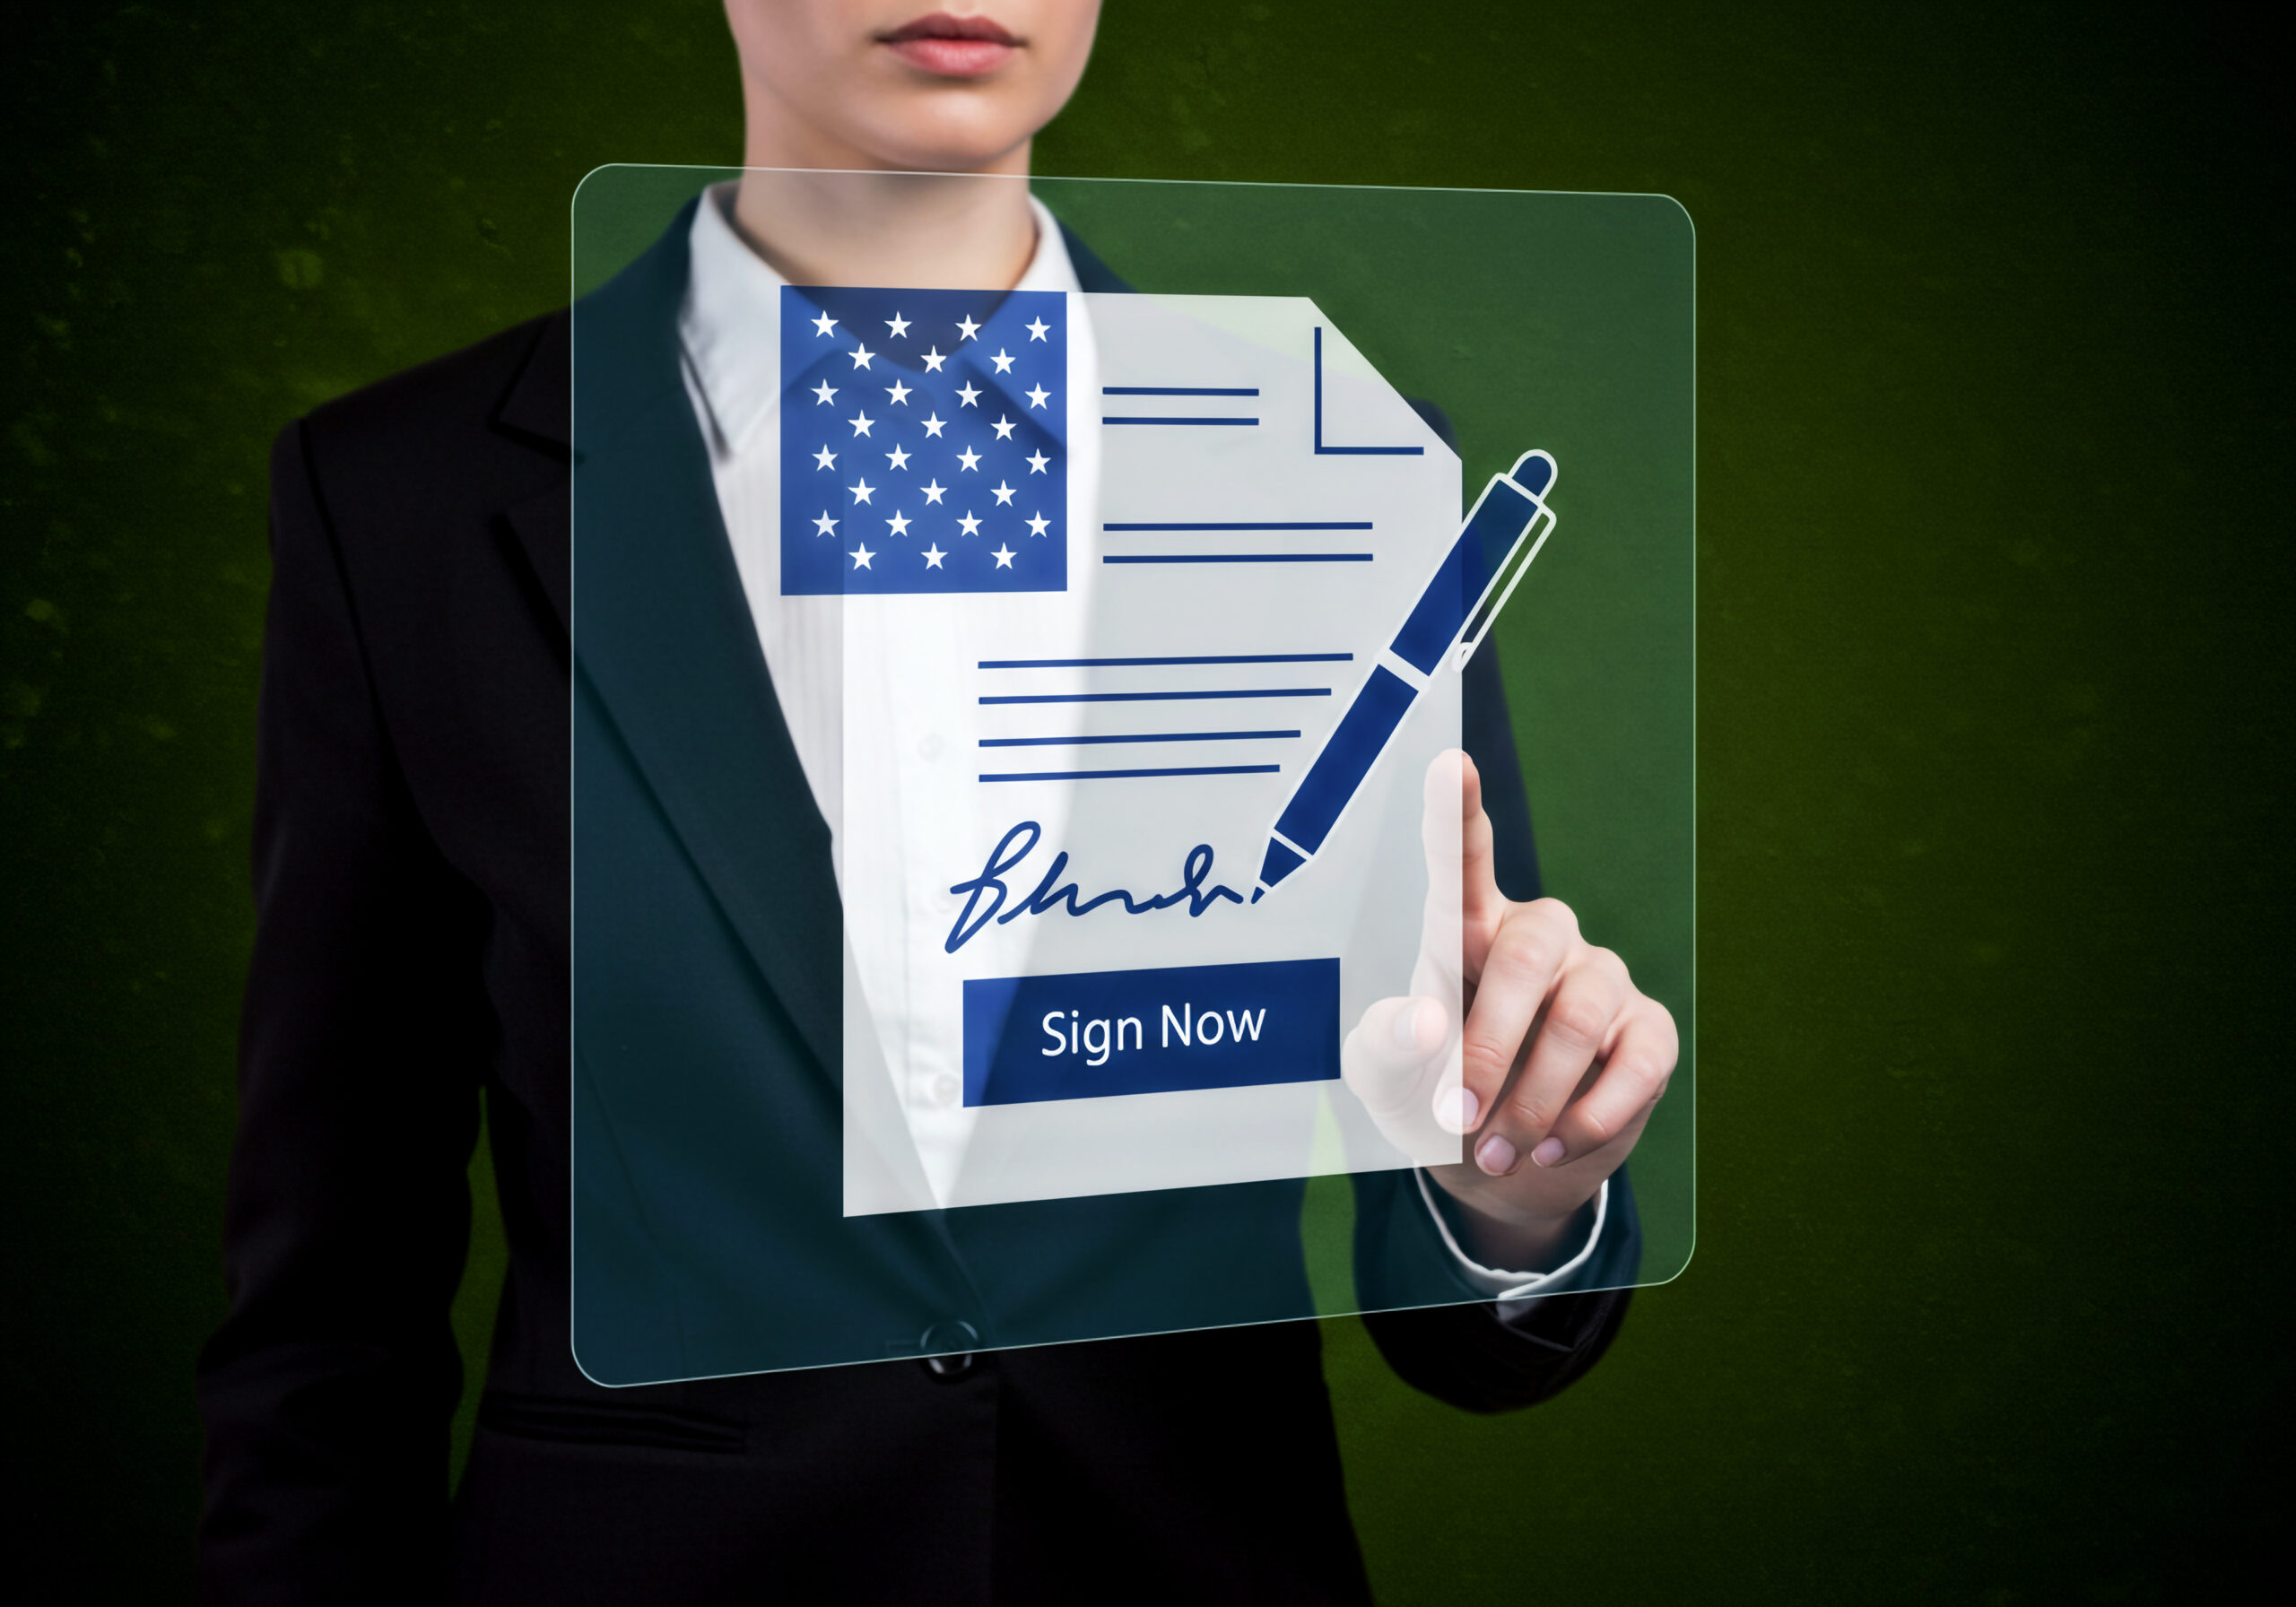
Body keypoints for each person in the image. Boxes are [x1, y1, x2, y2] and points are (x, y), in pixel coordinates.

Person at [196, 4, 1678, 1601]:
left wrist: (1512, 1198)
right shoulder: (399, 503)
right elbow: (329, 1308)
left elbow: (1459, 1287)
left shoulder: (1344, 466)